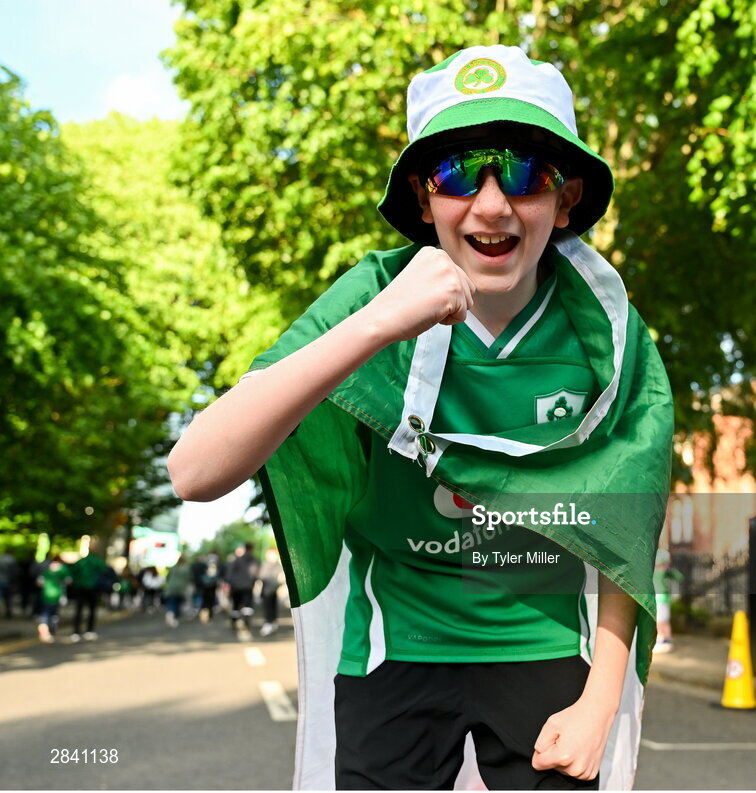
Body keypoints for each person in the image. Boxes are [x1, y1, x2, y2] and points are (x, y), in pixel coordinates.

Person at [169, 45, 673, 790]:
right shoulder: (372, 293)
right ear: (423, 194)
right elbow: (193, 471)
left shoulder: (606, 329)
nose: (494, 204)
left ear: (565, 199)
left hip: (545, 650)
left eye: (526, 173)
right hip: (393, 648)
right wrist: (376, 325)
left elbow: (626, 519)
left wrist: (602, 697)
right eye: (461, 173)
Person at [70, 544, 107, 641]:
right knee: (92, 610)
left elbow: (73, 573)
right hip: (93, 588)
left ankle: (76, 631)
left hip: (80, 588)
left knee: (79, 610)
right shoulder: (97, 561)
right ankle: (89, 631)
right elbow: (103, 571)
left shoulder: (81, 562)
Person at [652, 549, 684, 653]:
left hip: (661, 598)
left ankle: (663, 639)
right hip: (660, 598)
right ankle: (665, 638)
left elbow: (679, 577)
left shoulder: (662, 572)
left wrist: (667, 569)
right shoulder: (658, 571)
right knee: (662, 620)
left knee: (661, 620)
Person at [225, 542, 260, 636]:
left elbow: (229, 574)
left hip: (236, 587)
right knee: (247, 606)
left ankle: (234, 623)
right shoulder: (254, 560)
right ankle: (246, 624)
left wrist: (229, 584)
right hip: (248, 587)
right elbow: (255, 573)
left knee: (235, 606)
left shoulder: (237, 560)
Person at [36, 553, 70, 643]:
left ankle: (44, 632)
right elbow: (68, 581)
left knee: (45, 614)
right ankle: (51, 631)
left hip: (45, 594)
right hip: (57, 595)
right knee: (54, 615)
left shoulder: (47, 569)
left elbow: (39, 582)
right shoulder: (63, 570)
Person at [257, 547, 285, 637]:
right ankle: (269, 623)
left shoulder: (278, 566)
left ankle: (272, 623)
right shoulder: (265, 565)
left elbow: (281, 578)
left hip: (273, 590)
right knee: (267, 607)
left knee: (272, 607)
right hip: (266, 590)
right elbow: (261, 576)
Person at [164, 553, 192, 627]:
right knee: (177, 604)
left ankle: (170, 614)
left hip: (171, 588)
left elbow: (167, 578)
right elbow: (189, 578)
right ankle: (174, 617)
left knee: (171, 603)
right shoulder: (186, 568)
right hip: (181, 588)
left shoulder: (173, 568)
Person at [0, 547, 16, 619]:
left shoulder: (1, 558)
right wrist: (14, 583)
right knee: (8, 598)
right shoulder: (12, 560)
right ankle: (8, 612)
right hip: (8, 581)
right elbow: (13, 573)